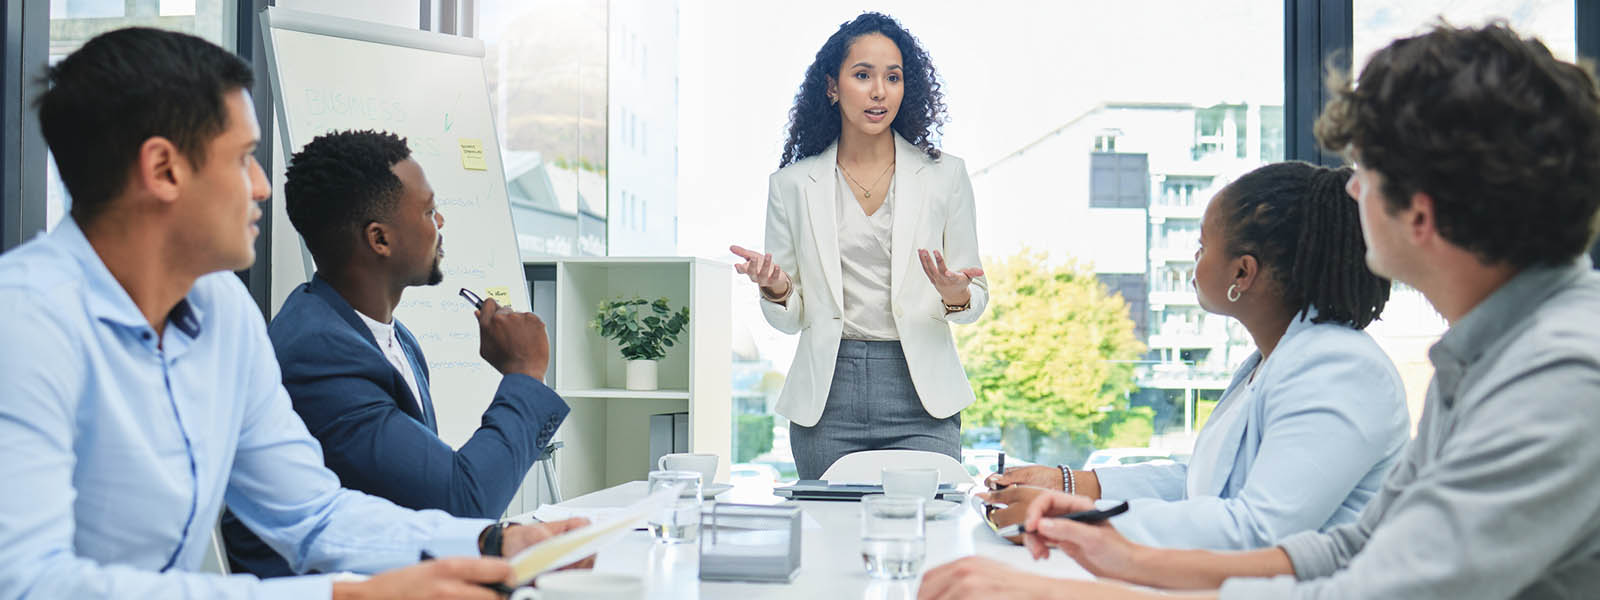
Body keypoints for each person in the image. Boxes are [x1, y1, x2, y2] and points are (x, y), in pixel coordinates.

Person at [920, 22, 1600, 599]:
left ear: (1420, 212)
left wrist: (1055, 590)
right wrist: (1122, 555)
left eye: (1366, 174)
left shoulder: (1562, 377)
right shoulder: (1490, 355)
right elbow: (1345, 551)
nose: (1353, 192)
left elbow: (1369, 591)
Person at [0, 27, 585, 599]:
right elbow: (28, 582)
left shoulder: (222, 310)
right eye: (243, 159)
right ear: (163, 170)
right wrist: (345, 595)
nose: (260, 187)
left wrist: (490, 543)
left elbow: (311, 512)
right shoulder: (24, 322)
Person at [983, 161, 1409, 551]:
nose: (1194, 259)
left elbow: (1257, 529)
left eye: (1202, 246)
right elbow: (1206, 489)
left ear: (1242, 273)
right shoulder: (1275, 359)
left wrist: (1073, 520)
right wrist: (1073, 483)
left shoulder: (1340, 370)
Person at [220, 130, 571, 576]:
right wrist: (523, 374)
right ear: (379, 239)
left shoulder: (395, 338)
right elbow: (463, 503)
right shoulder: (320, 352)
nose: (440, 222)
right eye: (428, 211)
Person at [729, 12, 988, 479]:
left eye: (893, 77)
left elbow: (974, 298)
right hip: (828, 399)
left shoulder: (945, 176)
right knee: (830, 540)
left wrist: (955, 294)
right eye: (863, 75)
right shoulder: (791, 185)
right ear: (832, 87)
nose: (879, 91)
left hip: (921, 398)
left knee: (928, 539)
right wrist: (776, 289)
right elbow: (790, 319)